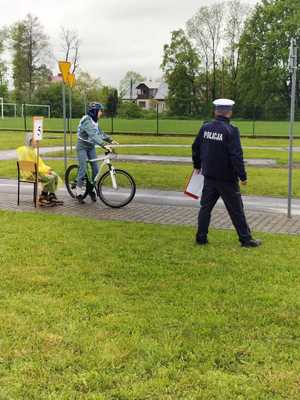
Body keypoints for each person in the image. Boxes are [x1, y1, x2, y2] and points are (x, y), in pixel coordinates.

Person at [192, 98, 261, 248]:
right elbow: (236, 155)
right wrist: (242, 176)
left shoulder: (205, 127)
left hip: (209, 175)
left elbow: (195, 147)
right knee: (236, 210)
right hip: (227, 178)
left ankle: (201, 237)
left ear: (216, 111)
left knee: (205, 208)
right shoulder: (231, 130)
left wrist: (197, 165)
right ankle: (246, 239)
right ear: (229, 112)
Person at [76, 102, 118, 203]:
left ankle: (91, 189)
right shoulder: (87, 120)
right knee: (83, 168)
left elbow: (100, 133)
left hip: (90, 147)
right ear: (94, 112)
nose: (101, 113)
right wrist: (104, 145)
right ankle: (78, 192)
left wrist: (110, 140)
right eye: (100, 111)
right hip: (82, 147)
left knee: (96, 169)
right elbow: (93, 136)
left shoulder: (95, 121)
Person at [17, 132, 63, 206]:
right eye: (36, 141)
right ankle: (43, 197)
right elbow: (34, 166)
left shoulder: (29, 150)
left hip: (35, 172)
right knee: (51, 177)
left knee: (54, 175)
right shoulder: (28, 152)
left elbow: (38, 164)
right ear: (30, 141)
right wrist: (46, 170)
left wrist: (46, 169)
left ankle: (51, 195)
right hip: (32, 174)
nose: (38, 143)